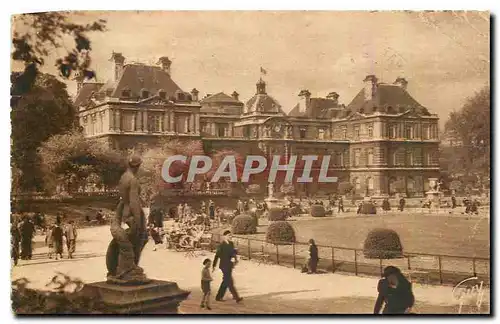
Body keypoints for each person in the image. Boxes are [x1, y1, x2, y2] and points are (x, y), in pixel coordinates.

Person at [212, 230, 243, 303]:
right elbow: (217, 256)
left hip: (229, 265)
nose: (230, 237)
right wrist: (214, 265)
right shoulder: (221, 245)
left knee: (225, 281)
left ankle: (218, 297)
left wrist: (235, 256)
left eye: (231, 235)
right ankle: (236, 297)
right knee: (229, 281)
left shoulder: (231, 244)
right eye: (229, 235)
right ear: (224, 236)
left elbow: (232, 253)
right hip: (223, 266)